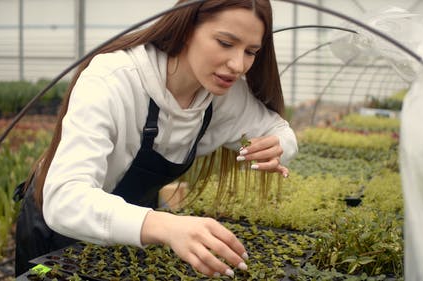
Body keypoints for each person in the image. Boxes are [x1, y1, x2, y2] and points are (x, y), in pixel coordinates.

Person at [15, 0, 298, 278]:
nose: (238, 65)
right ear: (187, 28)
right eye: (225, 43)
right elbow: (65, 199)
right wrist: (163, 225)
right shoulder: (113, 78)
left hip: (132, 234)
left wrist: (279, 146)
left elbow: (279, 129)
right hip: (58, 232)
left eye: (251, 51)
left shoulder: (221, 94)